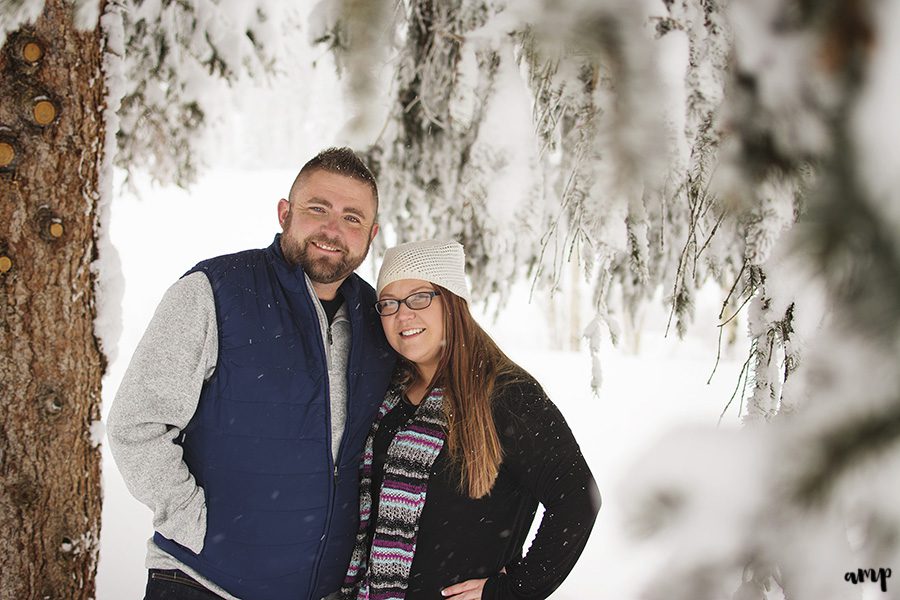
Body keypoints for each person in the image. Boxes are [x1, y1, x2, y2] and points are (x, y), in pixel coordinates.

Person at [107, 147, 397, 600]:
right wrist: (192, 521)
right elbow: (138, 423)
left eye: (352, 218)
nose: (333, 229)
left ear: (371, 234)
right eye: (318, 209)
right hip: (202, 582)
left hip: (321, 590)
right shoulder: (214, 292)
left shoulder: (379, 321)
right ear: (285, 212)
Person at [340, 240, 600, 600]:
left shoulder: (507, 393)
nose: (403, 315)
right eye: (389, 303)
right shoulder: (390, 392)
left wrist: (510, 591)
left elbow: (577, 499)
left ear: (452, 301)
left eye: (419, 297)